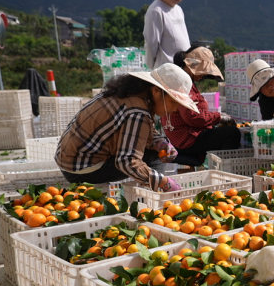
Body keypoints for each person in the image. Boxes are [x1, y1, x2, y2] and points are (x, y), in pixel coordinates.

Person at [56, 64, 198, 192]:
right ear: (155, 90)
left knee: (158, 149)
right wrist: (163, 182)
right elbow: (126, 161)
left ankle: (154, 186)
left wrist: (160, 143)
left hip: (69, 161)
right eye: (173, 102)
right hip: (81, 170)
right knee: (154, 155)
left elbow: (139, 132)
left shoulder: (128, 95)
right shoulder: (138, 112)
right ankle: (157, 196)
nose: (174, 109)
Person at [167, 46, 240, 162]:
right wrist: (219, 117)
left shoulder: (187, 82)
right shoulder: (182, 84)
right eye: (203, 71)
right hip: (187, 139)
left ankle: (218, 167)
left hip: (187, 137)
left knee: (223, 132)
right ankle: (224, 171)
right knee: (232, 133)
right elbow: (192, 117)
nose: (204, 75)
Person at [144, 0, 190, 69]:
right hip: (167, 71)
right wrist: (151, 68)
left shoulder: (178, 9)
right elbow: (151, 44)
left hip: (183, 68)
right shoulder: (156, 11)